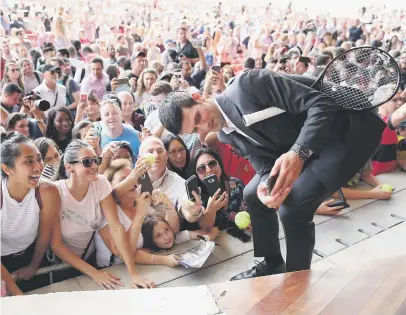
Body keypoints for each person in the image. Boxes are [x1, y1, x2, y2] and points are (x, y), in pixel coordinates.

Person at [158, 69, 386, 280]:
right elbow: (264, 164)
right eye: (195, 130)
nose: (204, 127)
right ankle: (271, 262)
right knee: (252, 194)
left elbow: (322, 103)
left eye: (198, 118)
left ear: (199, 98)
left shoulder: (249, 85)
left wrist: (299, 152)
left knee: (293, 206)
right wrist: (266, 186)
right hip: (309, 146)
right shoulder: (225, 135)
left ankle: (296, 280)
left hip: (347, 132)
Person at [50, 140, 155, 289]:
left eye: (96, 160)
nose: (94, 166)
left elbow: (116, 227)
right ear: (69, 167)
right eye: (87, 162)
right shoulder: (55, 192)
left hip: (90, 258)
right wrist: (94, 274)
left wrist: (133, 274)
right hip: (62, 266)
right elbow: (56, 245)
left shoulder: (101, 183)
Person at [1, 132, 59, 292]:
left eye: (39, 159)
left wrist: (33, 266)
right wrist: (16, 293)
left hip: (32, 256)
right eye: (28, 162)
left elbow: (44, 236)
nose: (38, 167)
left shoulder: (48, 191)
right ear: (7, 169)